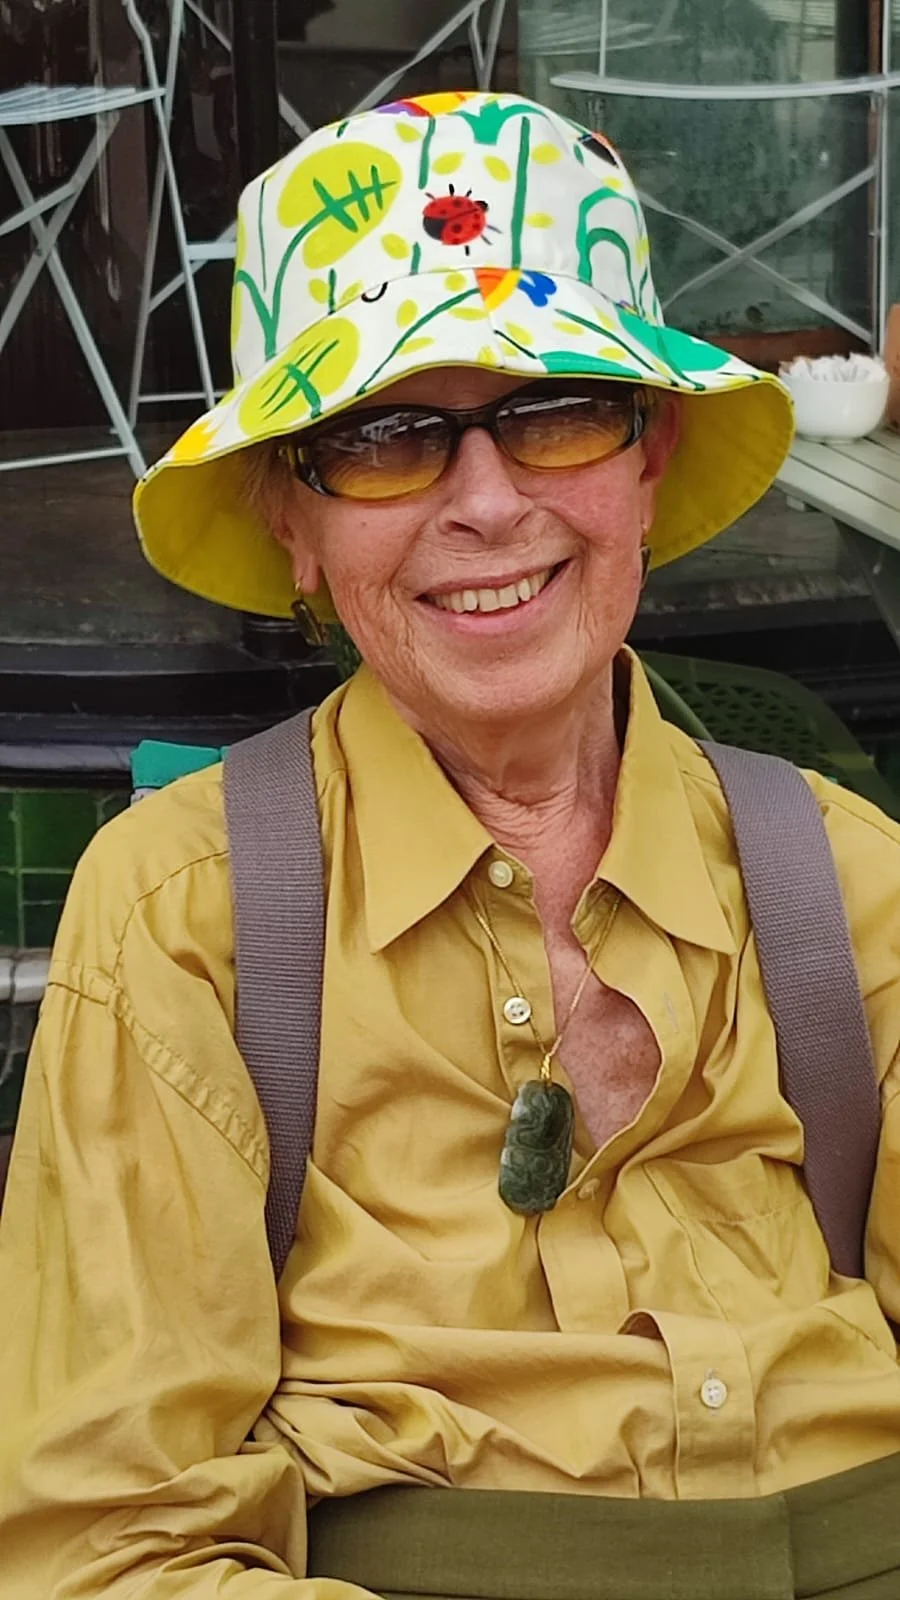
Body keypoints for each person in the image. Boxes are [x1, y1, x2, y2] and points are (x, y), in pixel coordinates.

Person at [2, 89, 900, 1600]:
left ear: (648, 457)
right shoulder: (184, 917)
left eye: (554, 409)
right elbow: (112, 1550)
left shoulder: (852, 883)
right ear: (294, 518)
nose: (486, 503)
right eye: (383, 438)